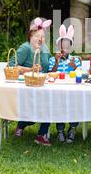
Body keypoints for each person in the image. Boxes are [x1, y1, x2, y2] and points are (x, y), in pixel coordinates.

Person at [10, 17, 53, 146]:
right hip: (28, 86)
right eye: (37, 36)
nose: (40, 39)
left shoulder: (44, 48)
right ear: (30, 36)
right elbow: (11, 66)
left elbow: (48, 65)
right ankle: (21, 125)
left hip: (44, 85)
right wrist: (30, 69)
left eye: (43, 36)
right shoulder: (25, 48)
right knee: (34, 113)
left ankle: (41, 135)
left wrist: (56, 61)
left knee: (49, 106)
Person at [48, 24, 81, 143]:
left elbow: (80, 75)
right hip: (58, 90)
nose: (64, 50)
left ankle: (72, 129)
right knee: (59, 107)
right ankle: (60, 130)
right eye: (62, 47)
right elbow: (50, 74)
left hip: (73, 90)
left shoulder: (75, 59)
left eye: (67, 47)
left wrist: (75, 67)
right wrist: (56, 62)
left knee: (75, 106)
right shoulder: (53, 59)